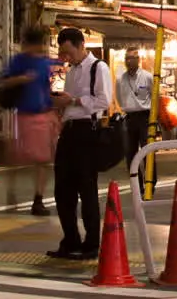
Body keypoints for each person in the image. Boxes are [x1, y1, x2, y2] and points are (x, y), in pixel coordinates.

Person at [48, 28, 112, 260]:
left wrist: (72, 100)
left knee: (87, 189)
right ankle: (70, 240)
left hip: (88, 132)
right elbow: (69, 104)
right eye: (62, 53)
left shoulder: (98, 67)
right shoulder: (71, 71)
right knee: (62, 189)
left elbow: (104, 100)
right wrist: (60, 105)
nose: (66, 57)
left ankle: (92, 243)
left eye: (68, 52)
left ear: (80, 45)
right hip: (69, 132)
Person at [0, 26, 58, 216]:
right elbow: (5, 82)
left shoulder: (43, 63)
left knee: (42, 160)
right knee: (16, 158)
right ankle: (11, 193)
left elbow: (45, 87)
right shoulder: (19, 61)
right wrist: (23, 79)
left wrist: (52, 110)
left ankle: (38, 199)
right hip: (22, 114)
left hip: (40, 114)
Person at [117, 49, 152, 192]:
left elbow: (155, 97)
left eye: (132, 58)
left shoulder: (147, 77)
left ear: (139, 59)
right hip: (129, 117)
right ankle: (137, 184)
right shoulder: (121, 79)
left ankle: (150, 182)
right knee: (130, 152)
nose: (128, 61)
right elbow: (119, 98)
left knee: (147, 151)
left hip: (145, 116)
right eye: (126, 58)